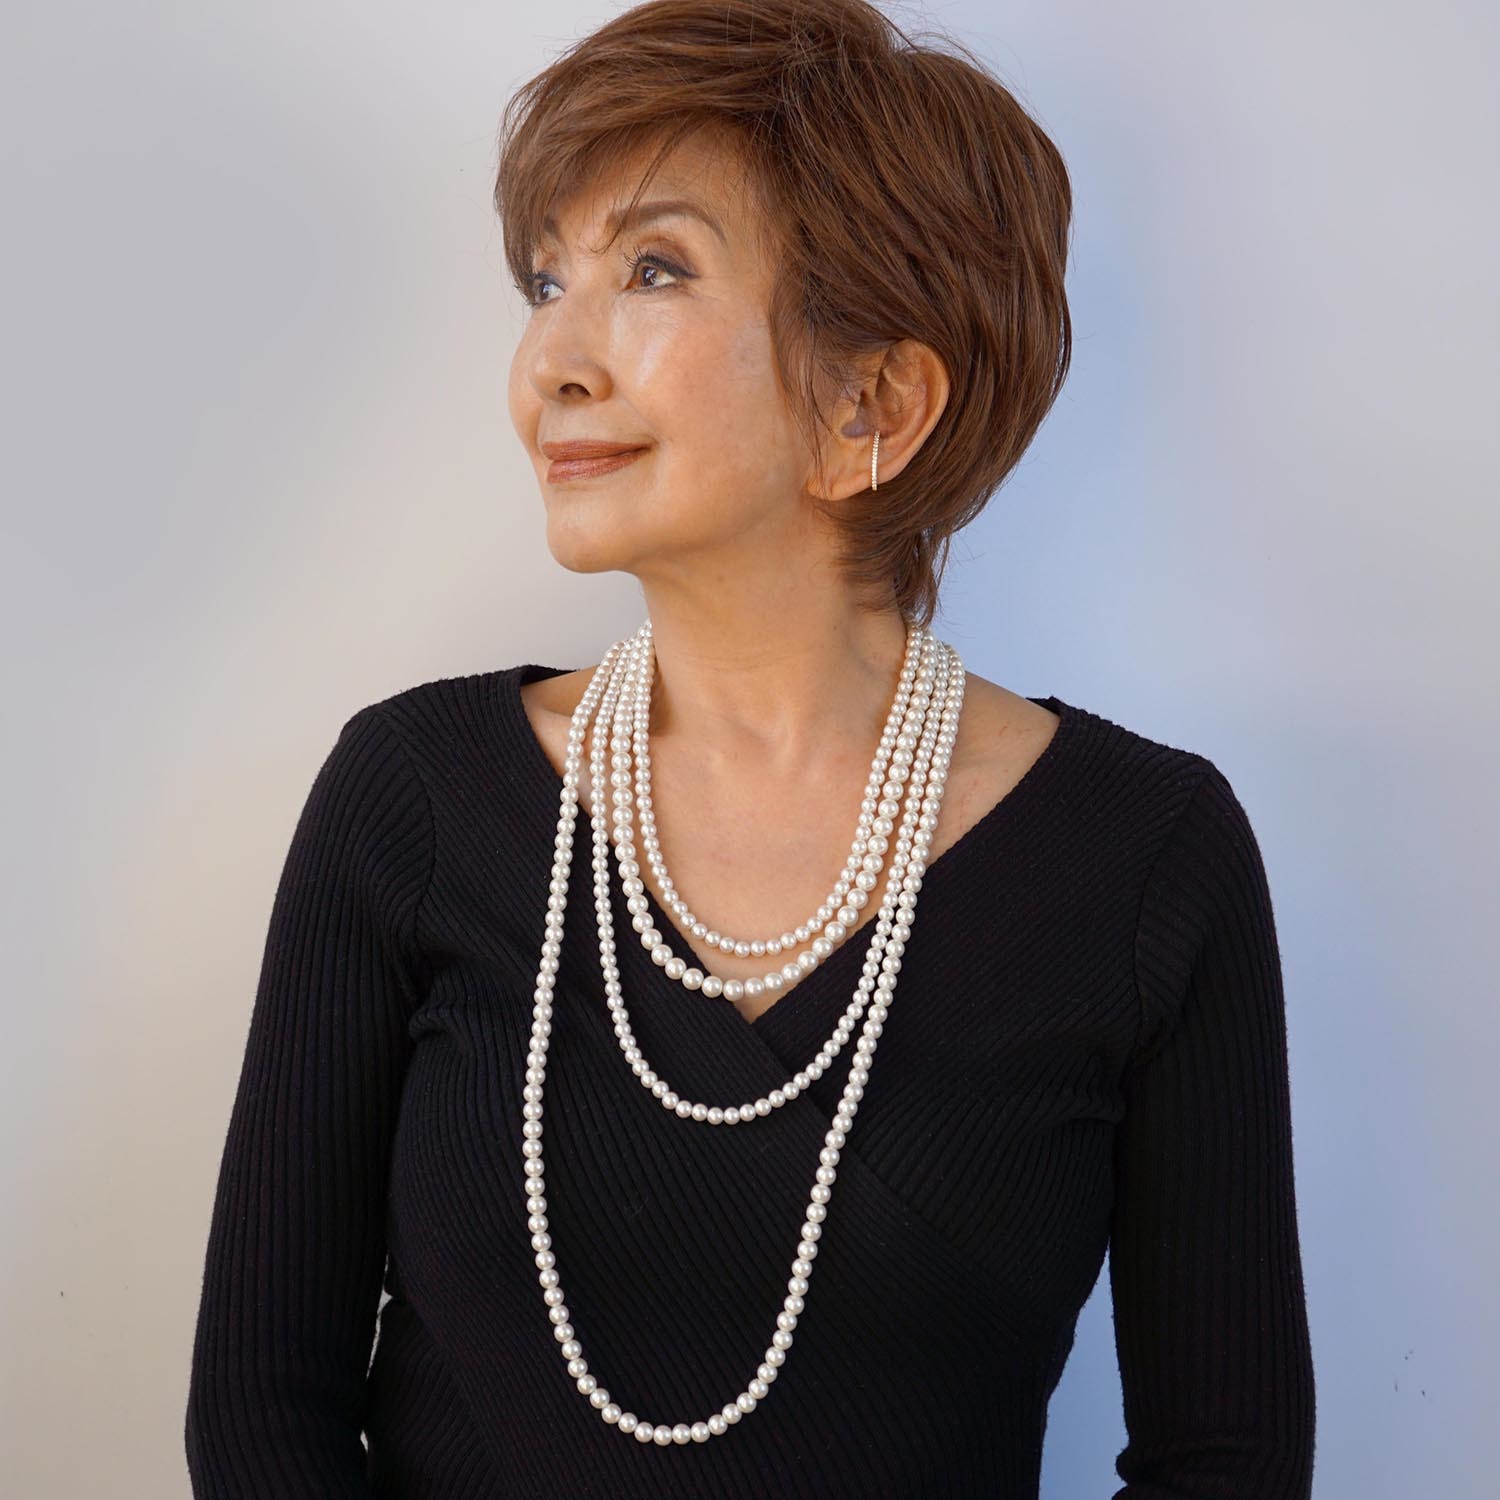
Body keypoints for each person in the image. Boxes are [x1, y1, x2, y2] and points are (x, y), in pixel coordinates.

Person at [184, 1, 1316, 1495]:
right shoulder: (412, 800)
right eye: (545, 281)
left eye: (653, 269)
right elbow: (263, 1412)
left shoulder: (1148, 859)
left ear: (873, 400)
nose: (550, 362)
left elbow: (1225, 1459)